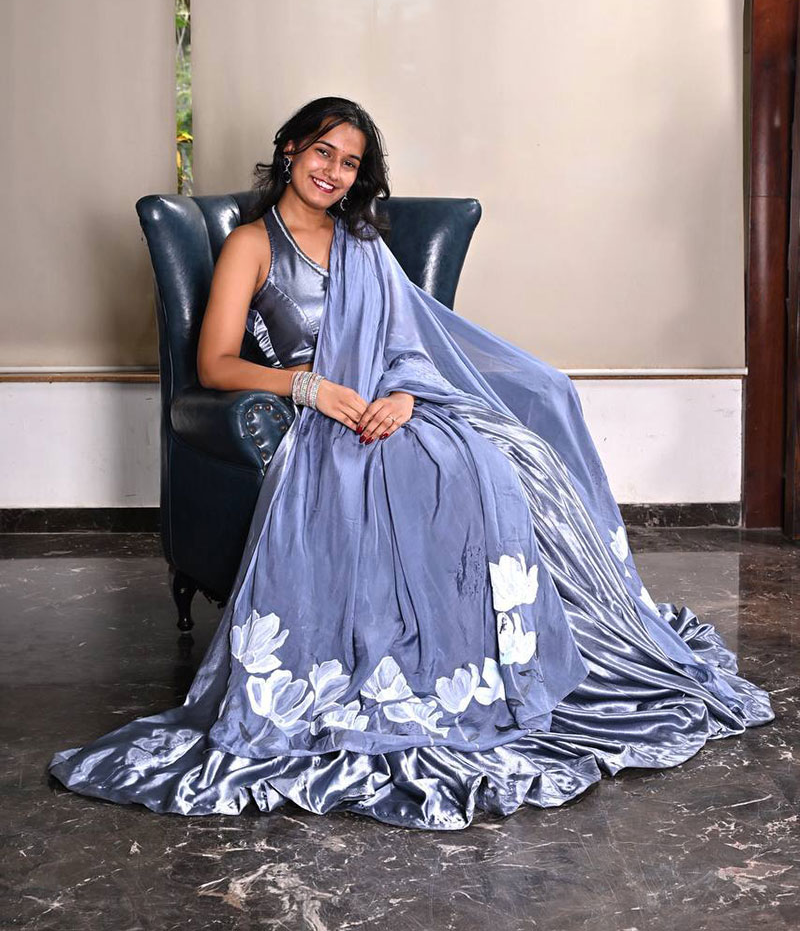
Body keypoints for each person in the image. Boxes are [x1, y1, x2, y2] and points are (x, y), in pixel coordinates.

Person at [48, 96, 775, 831]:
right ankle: (414, 671)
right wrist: (312, 388)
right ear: (291, 148)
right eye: (323, 152)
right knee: (437, 476)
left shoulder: (360, 243)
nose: (333, 171)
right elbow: (214, 363)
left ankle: (509, 657)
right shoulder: (251, 244)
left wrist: (402, 395)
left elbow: (407, 345)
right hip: (320, 417)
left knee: (499, 460)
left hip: (390, 404)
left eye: (350, 162)